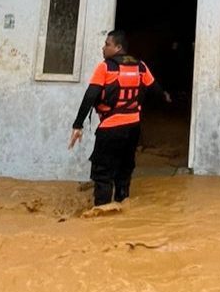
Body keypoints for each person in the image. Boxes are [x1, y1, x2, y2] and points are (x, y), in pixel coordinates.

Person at [69, 30, 168, 208]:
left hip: (111, 128)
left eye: (107, 44)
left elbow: (90, 96)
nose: (103, 47)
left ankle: (102, 214)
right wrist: (165, 98)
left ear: (118, 47)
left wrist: (78, 125)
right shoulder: (141, 66)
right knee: (124, 171)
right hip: (133, 128)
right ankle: (122, 207)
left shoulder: (105, 67)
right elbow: (156, 91)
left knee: (103, 174)